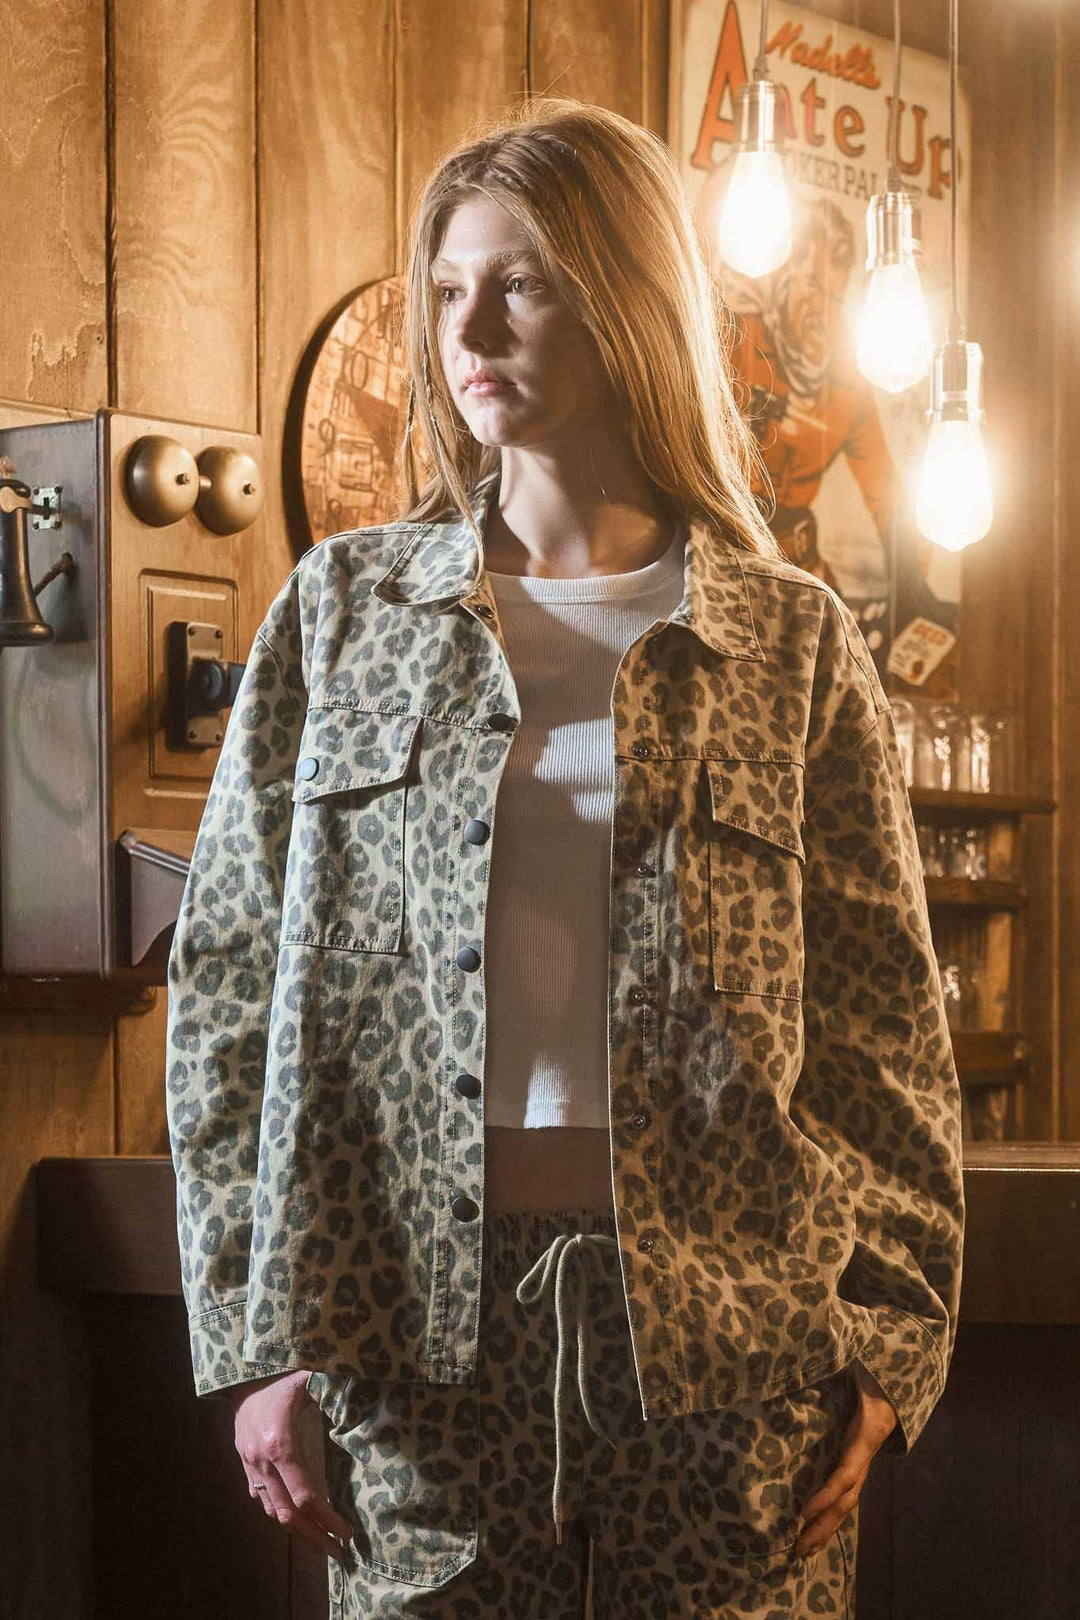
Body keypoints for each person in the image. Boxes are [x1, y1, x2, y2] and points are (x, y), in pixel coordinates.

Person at [165, 97, 965, 1618]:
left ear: (627, 300)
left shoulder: (789, 643)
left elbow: (885, 1030)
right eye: (448, 289)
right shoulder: (342, 616)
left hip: (732, 1355)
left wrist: (885, 1343)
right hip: (410, 1348)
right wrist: (255, 1338)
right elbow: (226, 994)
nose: (470, 329)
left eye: (519, 284)